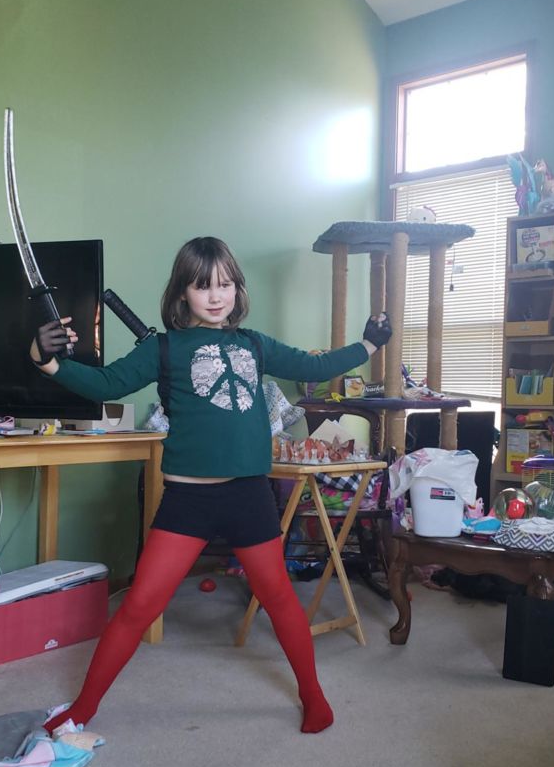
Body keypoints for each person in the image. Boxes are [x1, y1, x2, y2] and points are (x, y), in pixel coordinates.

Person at [30, 236, 392, 735]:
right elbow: (106, 384)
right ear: (182, 293)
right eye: (203, 286)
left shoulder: (255, 344)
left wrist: (368, 345)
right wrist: (46, 360)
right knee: (139, 605)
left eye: (225, 284)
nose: (216, 295)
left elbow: (313, 366)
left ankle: (313, 696)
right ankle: (83, 708)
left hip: (248, 496)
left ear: (237, 289)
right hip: (189, 500)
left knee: (279, 597)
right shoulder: (162, 349)